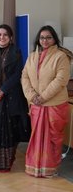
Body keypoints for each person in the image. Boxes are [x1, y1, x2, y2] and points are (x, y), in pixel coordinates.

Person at [21, 25, 72, 178]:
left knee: (53, 139)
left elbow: (61, 80)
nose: (45, 40)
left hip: (54, 105)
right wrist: (32, 96)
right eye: (42, 37)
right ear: (38, 39)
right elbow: (25, 77)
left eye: (48, 37)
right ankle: (35, 168)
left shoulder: (61, 56)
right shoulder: (32, 56)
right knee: (36, 138)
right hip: (36, 105)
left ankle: (50, 169)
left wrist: (42, 97)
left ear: (54, 39)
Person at [0, 24, 29, 171]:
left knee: (7, 130)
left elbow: (17, 74)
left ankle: (5, 163)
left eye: (5, 35)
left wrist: (2, 90)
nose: (2, 37)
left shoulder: (16, 52)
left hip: (10, 98)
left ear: (10, 37)